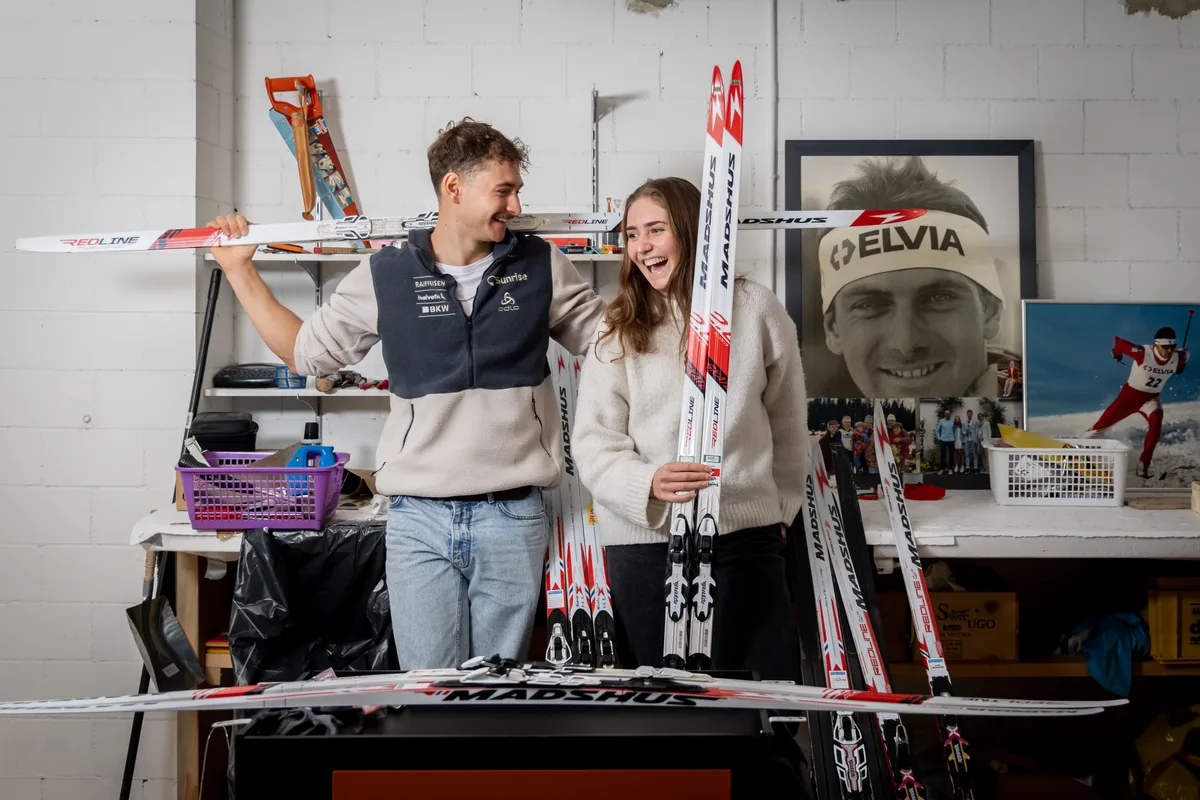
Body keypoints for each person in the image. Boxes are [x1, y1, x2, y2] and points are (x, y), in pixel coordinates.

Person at [204, 118, 605, 670]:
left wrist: (669, 273)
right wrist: (240, 270)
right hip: (420, 521)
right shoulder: (385, 275)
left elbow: (613, 345)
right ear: (454, 188)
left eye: (516, 190)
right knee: (427, 696)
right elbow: (306, 353)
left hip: (512, 518)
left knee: (495, 696)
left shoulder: (541, 266)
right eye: (504, 189)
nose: (515, 205)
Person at [573, 176, 807, 680]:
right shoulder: (617, 326)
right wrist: (647, 485)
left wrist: (781, 508)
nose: (642, 247)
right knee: (665, 716)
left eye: (655, 230)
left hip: (745, 538)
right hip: (646, 542)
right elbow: (594, 443)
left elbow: (788, 420)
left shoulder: (755, 308)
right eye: (632, 234)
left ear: (692, 231)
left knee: (760, 707)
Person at [816, 156, 1019, 398]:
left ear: (990, 311)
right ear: (833, 329)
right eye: (869, 305)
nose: (906, 344)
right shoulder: (801, 427)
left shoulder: (1053, 418)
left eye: (938, 298)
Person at [1084, 326, 1189, 478]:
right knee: (1100, 427)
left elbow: (1186, 353)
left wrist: (1182, 365)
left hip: (1151, 399)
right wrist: (1116, 353)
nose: (1169, 351)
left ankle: (1143, 465)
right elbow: (1119, 343)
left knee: (1156, 423)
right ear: (1156, 345)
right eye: (1165, 347)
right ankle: (1072, 449)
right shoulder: (1144, 353)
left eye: (1172, 347)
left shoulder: (1178, 357)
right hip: (1129, 398)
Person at [936, 408, 956, 474]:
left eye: (948, 414)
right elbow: (937, 431)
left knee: (951, 455)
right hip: (943, 440)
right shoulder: (941, 421)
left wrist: (955, 438)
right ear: (944, 414)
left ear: (950, 414)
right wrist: (939, 438)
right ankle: (942, 469)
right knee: (942, 455)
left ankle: (950, 469)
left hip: (951, 440)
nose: (947, 415)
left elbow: (954, 430)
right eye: (946, 414)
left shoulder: (953, 421)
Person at [964, 409, 981, 474]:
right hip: (966, 440)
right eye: (968, 414)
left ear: (972, 414)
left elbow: (977, 431)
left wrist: (977, 439)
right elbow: (963, 431)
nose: (969, 415)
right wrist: (966, 431)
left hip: (973, 440)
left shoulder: (975, 422)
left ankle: (975, 467)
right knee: (967, 454)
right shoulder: (964, 422)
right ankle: (967, 467)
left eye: (970, 413)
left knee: (975, 454)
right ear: (967, 414)